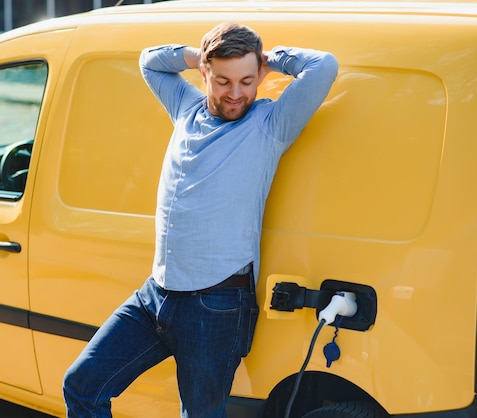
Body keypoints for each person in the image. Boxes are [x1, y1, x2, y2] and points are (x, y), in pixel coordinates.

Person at [63, 22, 338, 418]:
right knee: (82, 386)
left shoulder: (270, 125)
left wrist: (269, 60)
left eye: (247, 81)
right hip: (155, 293)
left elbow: (323, 66)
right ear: (205, 75)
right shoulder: (186, 107)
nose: (237, 93)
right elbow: (150, 62)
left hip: (217, 304)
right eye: (223, 80)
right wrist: (196, 56)